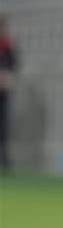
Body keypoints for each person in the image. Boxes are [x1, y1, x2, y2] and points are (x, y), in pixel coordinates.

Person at [0, 16, 15, 172]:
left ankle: (5, 161)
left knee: (4, 128)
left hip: (4, 94)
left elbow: (13, 67)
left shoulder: (8, 47)